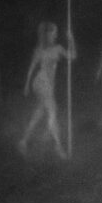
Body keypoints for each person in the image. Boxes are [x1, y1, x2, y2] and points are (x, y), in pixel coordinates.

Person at [19, 21, 76, 159]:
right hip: (40, 82)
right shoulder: (39, 50)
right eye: (54, 32)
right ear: (47, 34)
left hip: (49, 84)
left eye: (56, 32)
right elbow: (32, 67)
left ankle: (23, 140)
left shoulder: (58, 48)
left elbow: (72, 56)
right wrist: (27, 84)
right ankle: (58, 147)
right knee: (52, 112)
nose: (56, 34)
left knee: (39, 112)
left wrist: (71, 39)